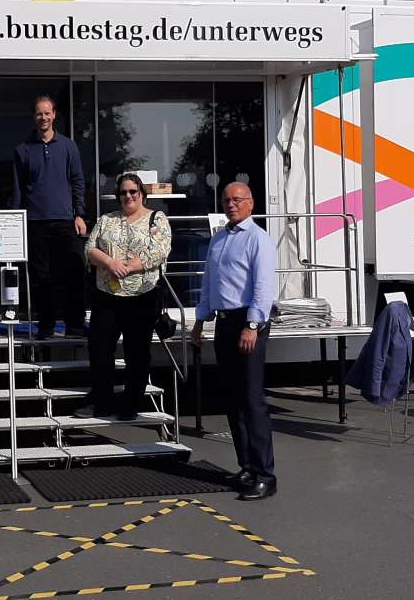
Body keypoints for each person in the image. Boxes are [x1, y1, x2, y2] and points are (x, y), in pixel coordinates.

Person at [191, 182, 278, 501]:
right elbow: (209, 283)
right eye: (226, 200)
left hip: (247, 322)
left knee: (252, 399)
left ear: (251, 203)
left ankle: (265, 475)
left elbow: (264, 287)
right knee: (232, 398)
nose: (231, 204)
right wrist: (200, 319)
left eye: (237, 199)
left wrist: (253, 325)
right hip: (225, 323)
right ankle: (247, 467)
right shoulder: (219, 239)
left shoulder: (258, 239)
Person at [79, 172, 172, 420]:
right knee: (100, 348)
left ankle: (131, 402)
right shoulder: (107, 219)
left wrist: (129, 267)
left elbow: (160, 251)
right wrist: (110, 263)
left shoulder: (156, 219)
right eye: (123, 192)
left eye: (133, 191)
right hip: (107, 296)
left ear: (142, 194)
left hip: (142, 296)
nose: (128, 196)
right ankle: (101, 399)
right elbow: (89, 248)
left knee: (137, 352)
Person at [11, 95, 87, 338]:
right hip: (35, 222)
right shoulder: (22, 150)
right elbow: (18, 188)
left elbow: (77, 181)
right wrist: (15, 220)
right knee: (41, 277)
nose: (43, 117)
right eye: (39, 113)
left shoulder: (68, 146)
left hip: (65, 220)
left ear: (54, 115)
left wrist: (79, 214)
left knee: (74, 271)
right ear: (33, 117)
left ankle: (75, 325)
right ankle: (46, 326)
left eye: (47, 113)